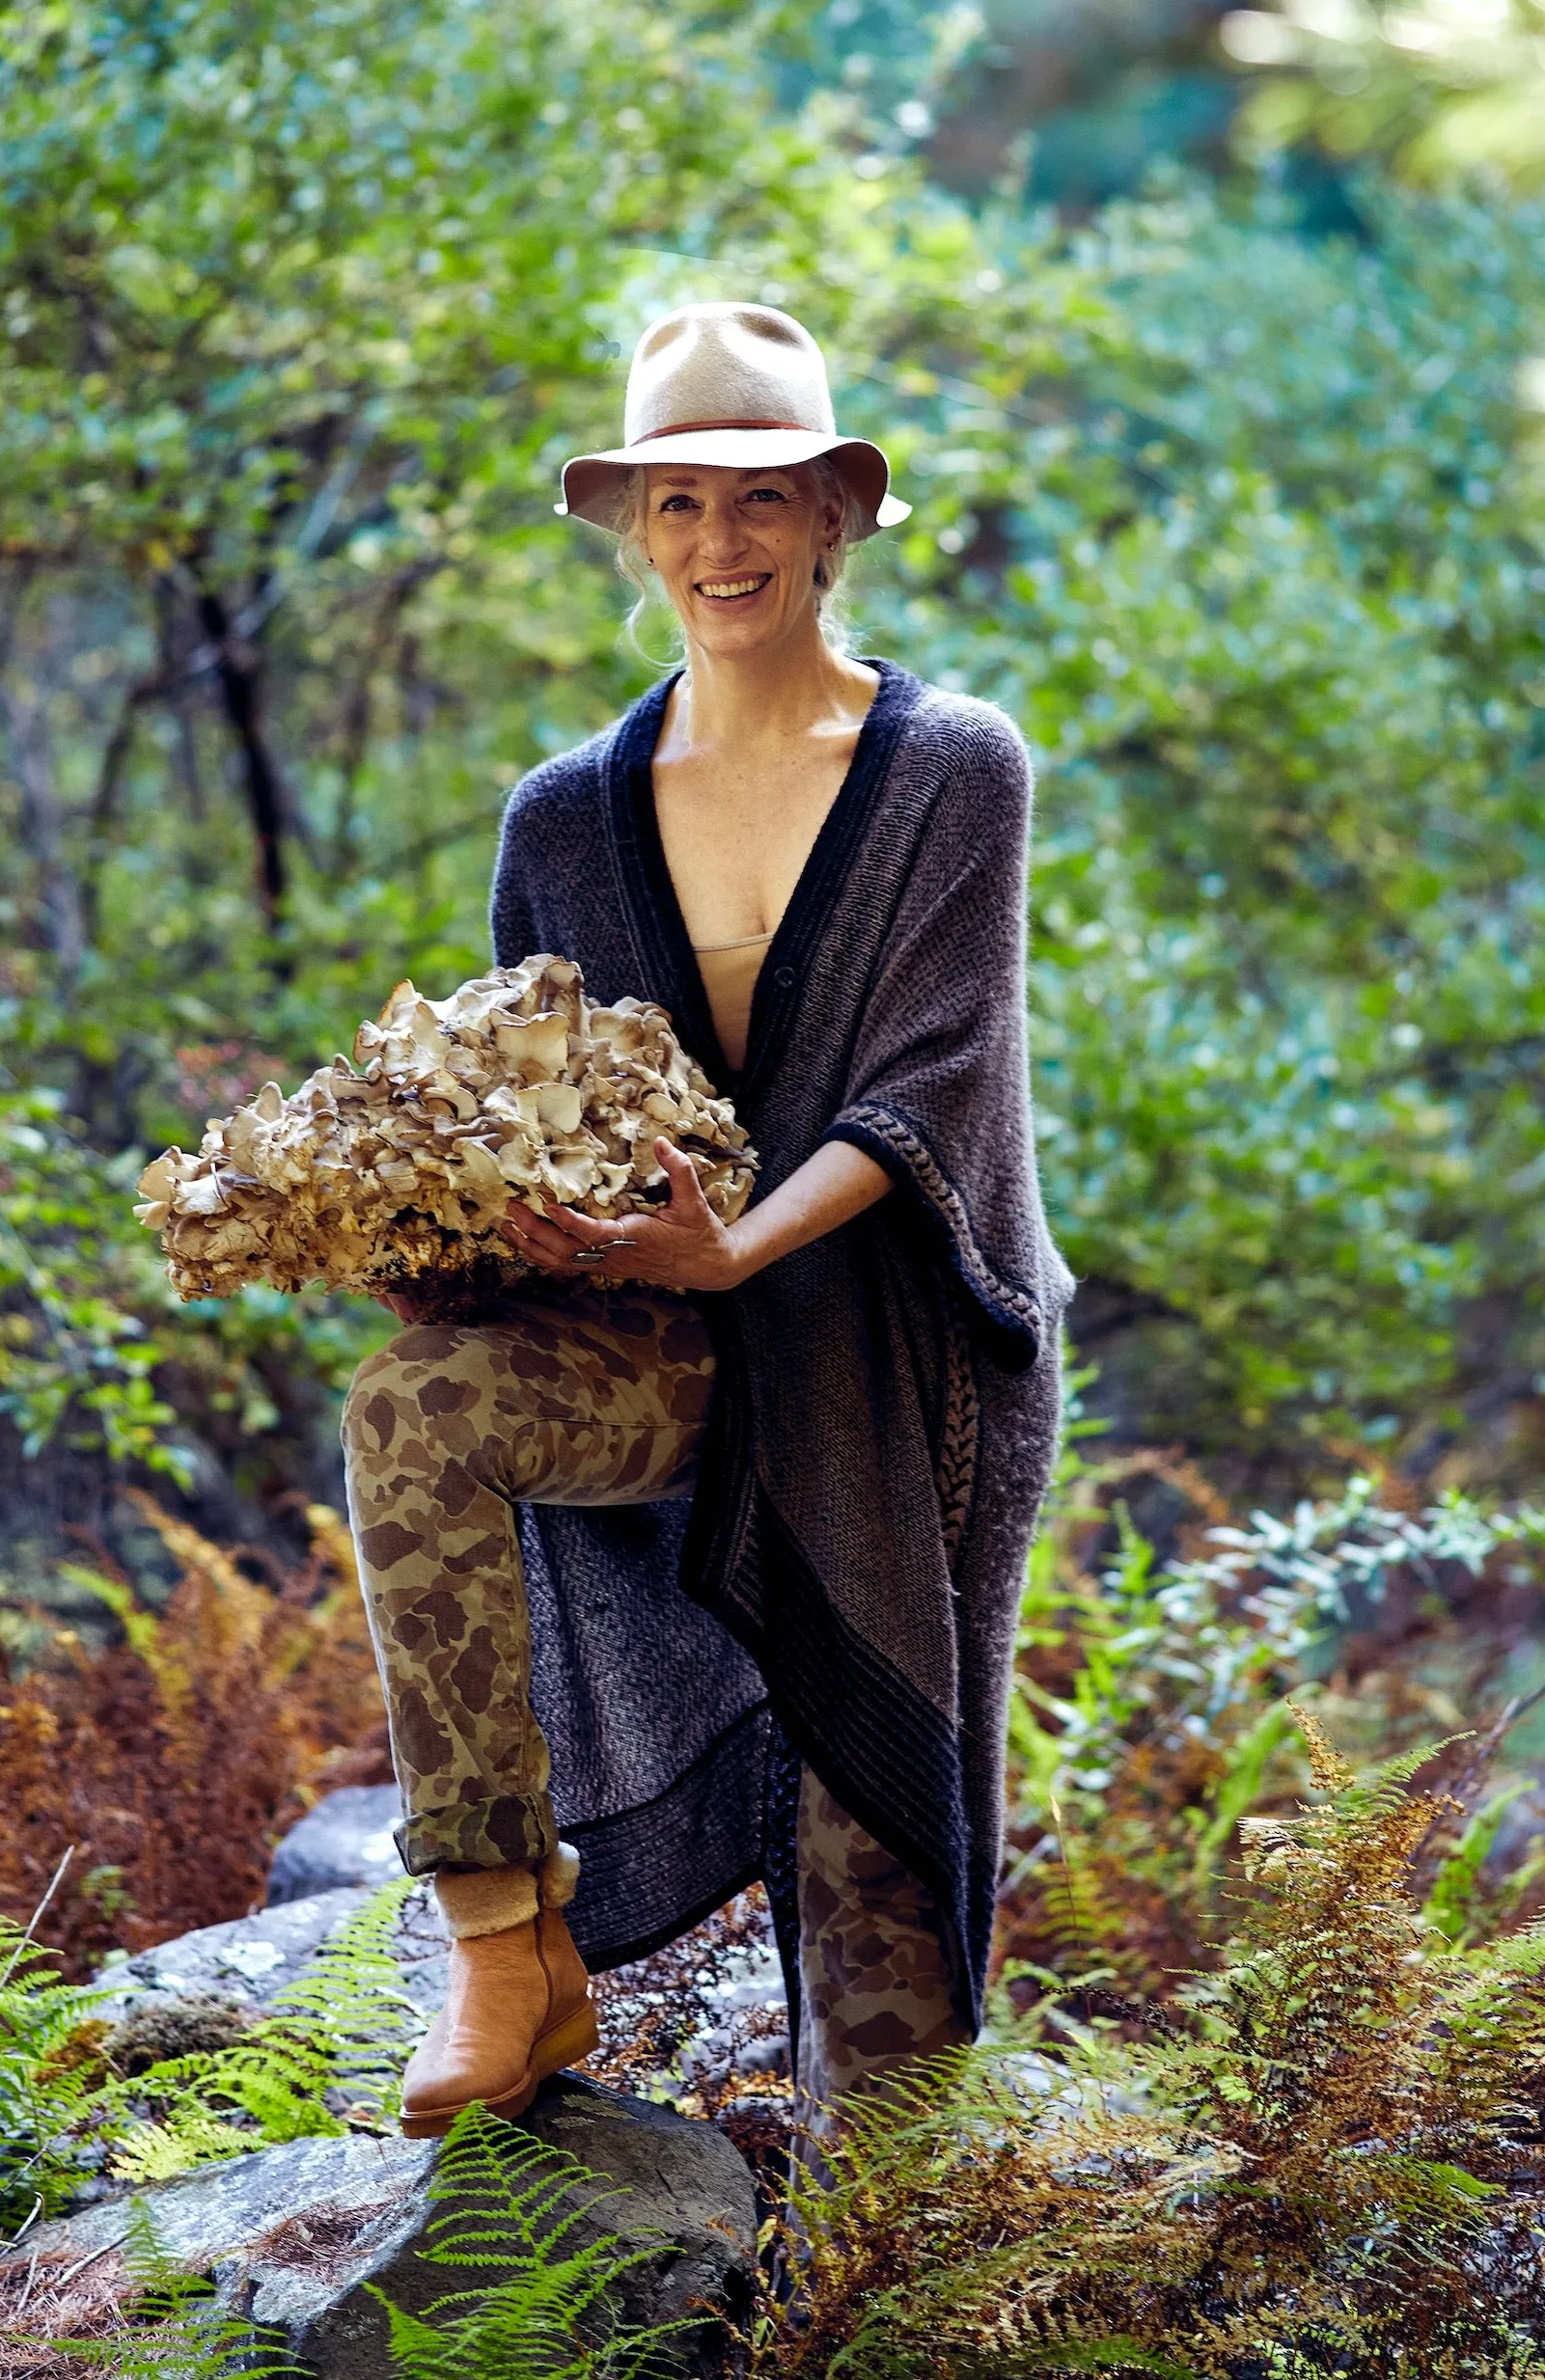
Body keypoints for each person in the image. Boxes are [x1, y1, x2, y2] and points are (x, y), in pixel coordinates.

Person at [342, 301, 1072, 2141]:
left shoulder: (952, 769)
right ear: (636, 531)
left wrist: (743, 1245)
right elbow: (543, 1091)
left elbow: (937, 1088)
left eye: (757, 498)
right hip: (659, 1351)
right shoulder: (563, 817)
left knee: (880, 1956)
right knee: (411, 1406)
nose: (717, 542)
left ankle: (883, 2231)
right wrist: (439, 1218)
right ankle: (506, 1946)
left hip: (888, 1375)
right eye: (676, 502)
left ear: (833, 514)